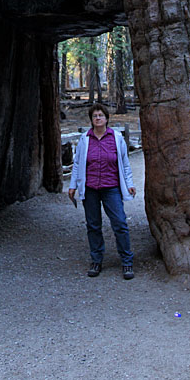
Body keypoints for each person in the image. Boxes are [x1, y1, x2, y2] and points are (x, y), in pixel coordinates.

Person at [68, 103, 136, 280]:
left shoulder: (117, 138)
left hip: (111, 187)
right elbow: (77, 164)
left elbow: (125, 163)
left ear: (106, 118)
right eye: (94, 116)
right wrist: (72, 185)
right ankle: (96, 260)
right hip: (90, 188)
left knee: (120, 223)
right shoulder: (85, 139)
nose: (98, 118)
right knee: (93, 225)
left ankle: (127, 261)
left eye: (100, 115)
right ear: (91, 120)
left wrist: (129, 184)